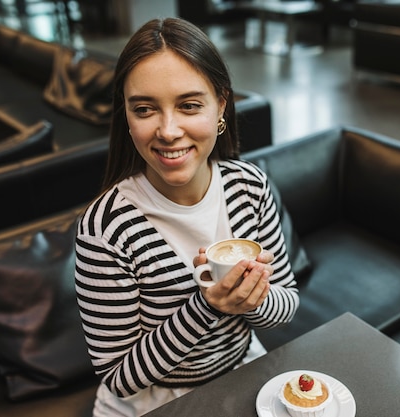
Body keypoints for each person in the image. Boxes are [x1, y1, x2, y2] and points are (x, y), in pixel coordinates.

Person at [74, 17, 300, 416]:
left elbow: (287, 305)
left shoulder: (250, 186)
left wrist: (251, 299)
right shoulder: (105, 229)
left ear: (221, 106)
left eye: (189, 105)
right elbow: (120, 376)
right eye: (144, 109)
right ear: (126, 116)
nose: (168, 130)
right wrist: (208, 306)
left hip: (242, 374)